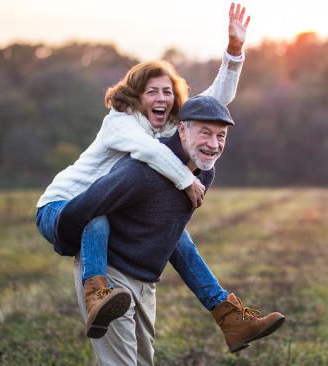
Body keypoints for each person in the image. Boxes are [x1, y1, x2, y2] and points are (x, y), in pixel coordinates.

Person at [35, 1, 274, 348]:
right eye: (152, 92)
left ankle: (227, 314)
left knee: (179, 236)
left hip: (103, 204)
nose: (161, 98)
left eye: (167, 92)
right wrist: (186, 180)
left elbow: (214, 104)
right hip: (62, 205)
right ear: (136, 96)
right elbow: (147, 154)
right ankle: (97, 294)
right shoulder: (122, 123)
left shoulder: (165, 128)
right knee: (98, 219)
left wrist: (234, 51)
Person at [54, 96, 285, 365]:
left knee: (142, 362)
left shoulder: (204, 173)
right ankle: (226, 315)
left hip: (145, 278)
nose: (214, 144)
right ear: (183, 130)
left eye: (221, 136)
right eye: (205, 133)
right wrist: (65, 242)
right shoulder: (140, 172)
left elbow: (172, 233)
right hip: (110, 275)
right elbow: (86, 205)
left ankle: (229, 318)